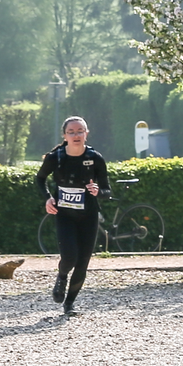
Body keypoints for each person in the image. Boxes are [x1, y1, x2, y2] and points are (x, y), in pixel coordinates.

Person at [36, 116, 110, 316]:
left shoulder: (95, 158)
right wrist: (48, 198)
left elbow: (107, 190)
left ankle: (69, 304)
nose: (76, 135)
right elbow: (39, 179)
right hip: (65, 215)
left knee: (83, 261)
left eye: (80, 131)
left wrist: (98, 192)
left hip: (88, 216)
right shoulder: (56, 157)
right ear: (65, 135)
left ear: (86, 134)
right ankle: (61, 276)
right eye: (72, 132)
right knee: (69, 257)